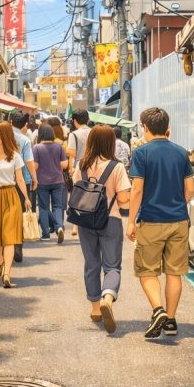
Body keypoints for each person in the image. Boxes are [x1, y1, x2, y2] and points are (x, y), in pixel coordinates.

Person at [126, 107, 194, 339]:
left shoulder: (141, 153)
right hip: (179, 221)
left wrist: (131, 221)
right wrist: (175, 203)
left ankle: (158, 310)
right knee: (174, 273)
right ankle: (171, 321)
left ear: (145, 128)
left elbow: (137, 190)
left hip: (151, 220)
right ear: (166, 127)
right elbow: (190, 189)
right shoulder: (181, 152)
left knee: (147, 270)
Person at [73, 125, 131, 333]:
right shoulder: (116, 167)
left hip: (85, 221)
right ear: (111, 143)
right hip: (111, 220)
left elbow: (75, 192)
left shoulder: (81, 165)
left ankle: (96, 309)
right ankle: (108, 296)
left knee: (91, 264)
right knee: (112, 266)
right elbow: (124, 200)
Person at [0, 122, 33, 288]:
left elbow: (20, 179)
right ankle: (1, 262)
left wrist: (26, 197)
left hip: (11, 195)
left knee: (9, 236)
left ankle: (7, 273)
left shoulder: (15, 156)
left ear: (4, 135)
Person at [9, 110, 38, 263]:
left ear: (11, 122)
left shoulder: (1, 136)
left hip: (3, 181)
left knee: (6, 213)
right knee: (19, 213)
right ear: (25, 124)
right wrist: (34, 179)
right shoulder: (24, 140)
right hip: (22, 182)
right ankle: (17, 245)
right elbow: (29, 161)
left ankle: (6, 245)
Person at [33, 125, 68, 242]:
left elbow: (35, 166)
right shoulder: (59, 147)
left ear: (40, 134)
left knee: (43, 207)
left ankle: (46, 233)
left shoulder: (37, 147)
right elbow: (64, 164)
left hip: (42, 181)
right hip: (58, 180)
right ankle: (59, 228)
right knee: (57, 206)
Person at [66, 110, 91, 237]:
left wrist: (71, 169)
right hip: (94, 165)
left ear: (75, 121)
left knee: (77, 195)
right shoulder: (94, 132)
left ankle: (76, 225)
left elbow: (72, 154)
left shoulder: (74, 135)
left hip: (79, 167)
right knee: (91, 193)